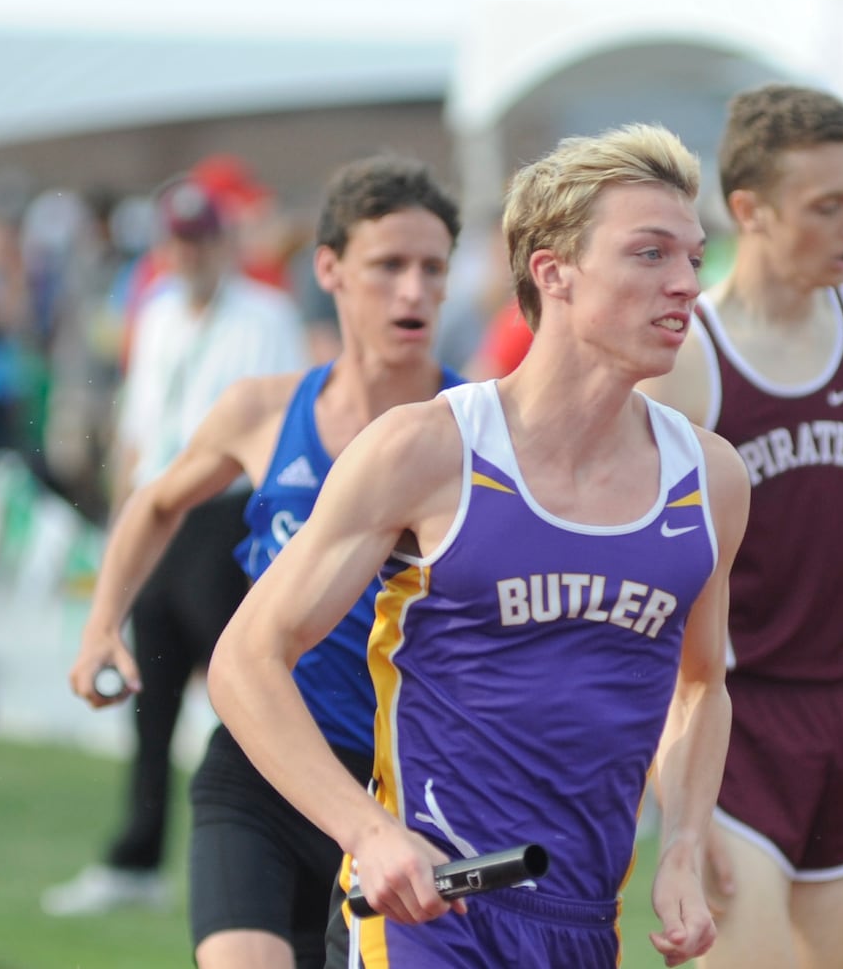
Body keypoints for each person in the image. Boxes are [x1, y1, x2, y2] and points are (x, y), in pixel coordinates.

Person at [207, 123, 751, 968]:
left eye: (693, 255)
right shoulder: (425, 450)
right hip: (431, 919)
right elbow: (247, 657)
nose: (688, 284)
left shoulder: (710, 478)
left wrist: (682, 844)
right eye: (650, 255)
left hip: (582, 924)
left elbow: (701, 685)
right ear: (553, 272)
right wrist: (371, 833)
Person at [64, 155, 464, 967]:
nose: (413, 292)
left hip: (398, 797)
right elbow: (156, 499)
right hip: (261, 770)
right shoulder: (264, 410)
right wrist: (102, 625)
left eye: (433, 269)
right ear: (330, 269)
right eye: (388, 265)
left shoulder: (472, 433)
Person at [640, 82, 843, 969]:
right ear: (749, 210)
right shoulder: (688, 359)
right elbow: (653, 591)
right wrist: (676, 788)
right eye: (827, 206)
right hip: (739, 722)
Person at [42, 177, 309, 917]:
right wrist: (126, 505)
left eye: (200, 239)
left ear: (222, 243)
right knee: (150, 689)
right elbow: (142, 414)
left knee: (238, 685)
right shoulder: (158, 310)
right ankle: (138, 853)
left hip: (225, 514)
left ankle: (265, 842)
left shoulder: (265, 316)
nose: (188, 253)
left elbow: (280, 427)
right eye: (178, 241)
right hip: (159, 507)